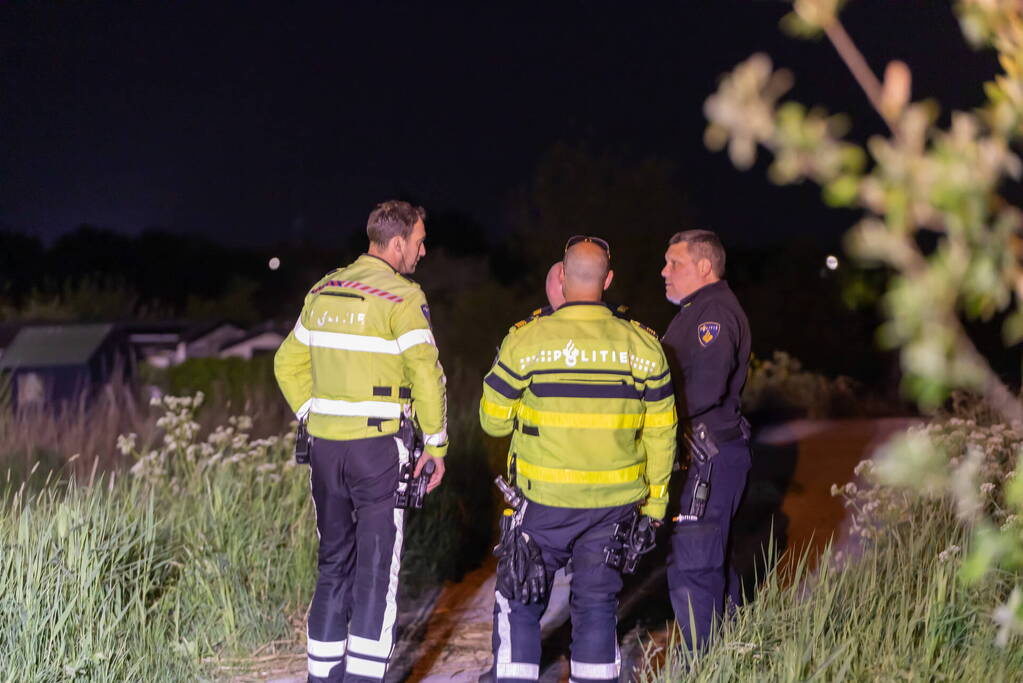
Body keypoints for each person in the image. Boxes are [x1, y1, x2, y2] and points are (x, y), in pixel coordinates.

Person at [480, 236, 677, 682]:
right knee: (597, 606)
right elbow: (663, 434)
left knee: (520, 601)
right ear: (607, 280)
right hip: (614, 506)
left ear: (563, 277)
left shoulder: (526, 340)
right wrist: (656, 507)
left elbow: (492, 422)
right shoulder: (644, 345)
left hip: (543, 504)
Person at [274, 200, 448, 683]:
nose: (423, 251)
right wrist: (436, 445)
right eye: (419, 242)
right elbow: (426, 375)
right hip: (378, 449)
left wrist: (312, 413)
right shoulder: (402, 297)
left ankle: (321, 676)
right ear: (398, 243)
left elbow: (286, 363)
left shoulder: (323, 290)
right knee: (376, 571)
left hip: (325, 449)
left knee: (333, 565)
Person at [659, 229, 752, 650]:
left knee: (694, 567)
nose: (664, 272)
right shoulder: (697, 309)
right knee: (709, 563)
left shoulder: (712, 313)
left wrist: (653, 413)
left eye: (674, 263)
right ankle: (731, 657)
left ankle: (704, 665)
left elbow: (706, 388)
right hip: (706, 454)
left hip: (707, 455)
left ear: (704, 266)